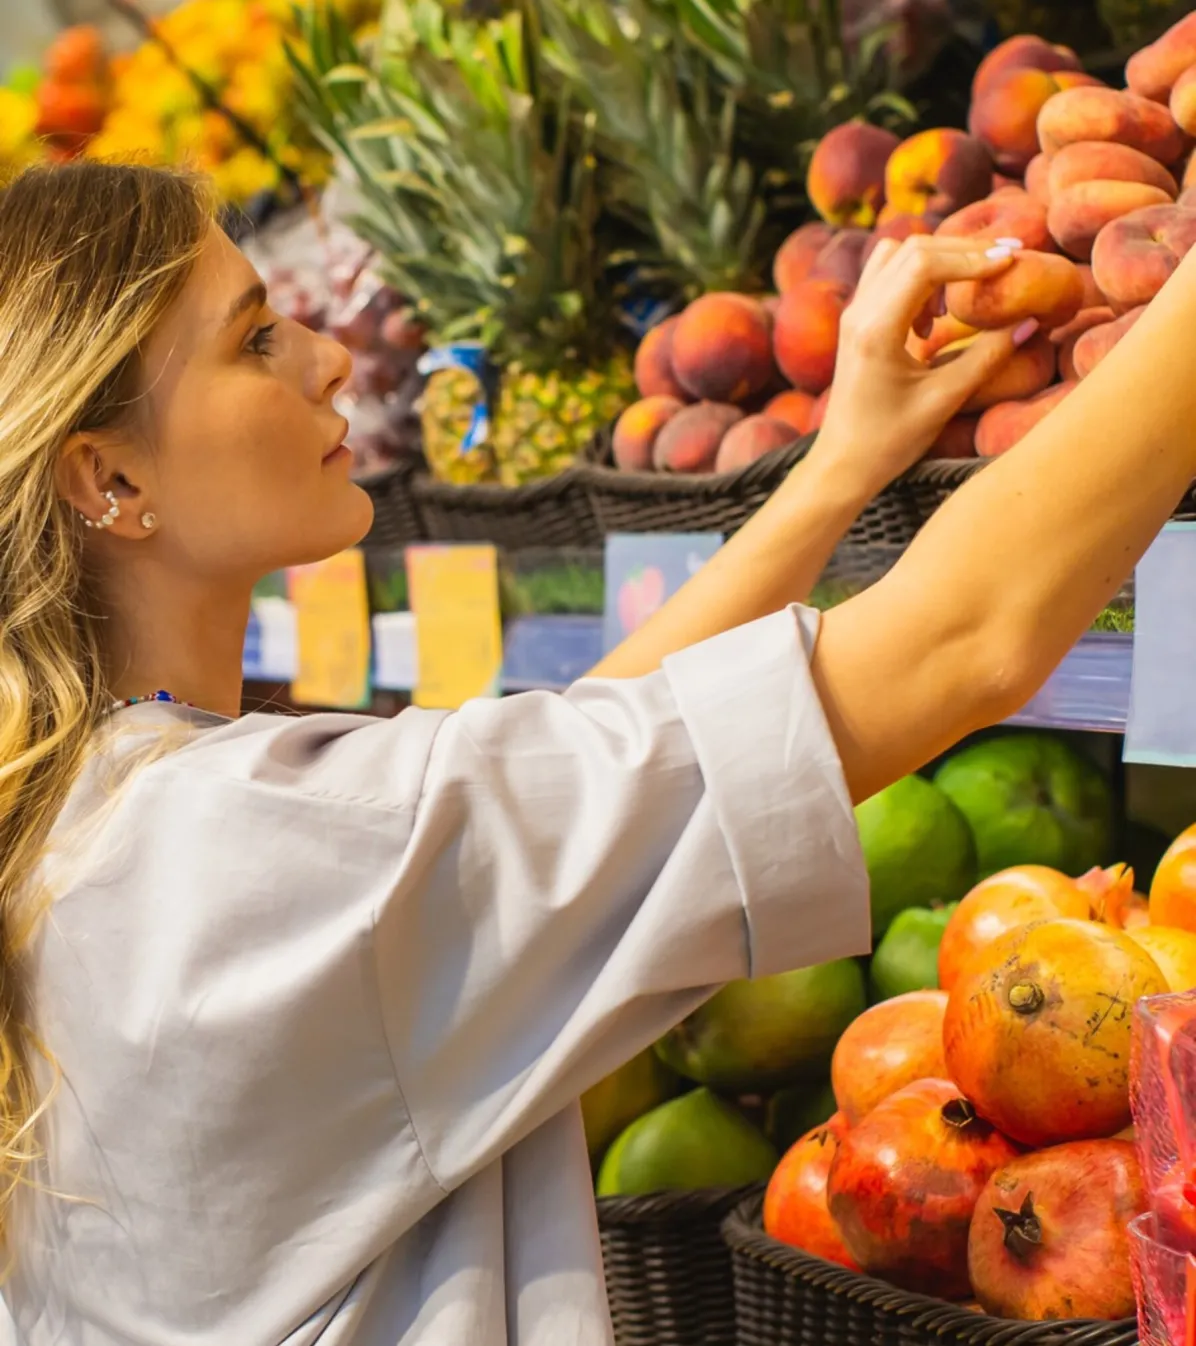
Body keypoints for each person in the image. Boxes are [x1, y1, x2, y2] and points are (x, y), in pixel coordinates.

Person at [0, 161, 1189, 1345]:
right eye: (254, 339)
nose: (324, 358)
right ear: (110, 476)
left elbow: (574, 772)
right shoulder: (251, 847)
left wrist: (838, 465)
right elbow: (965, 638)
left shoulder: (96, 833)